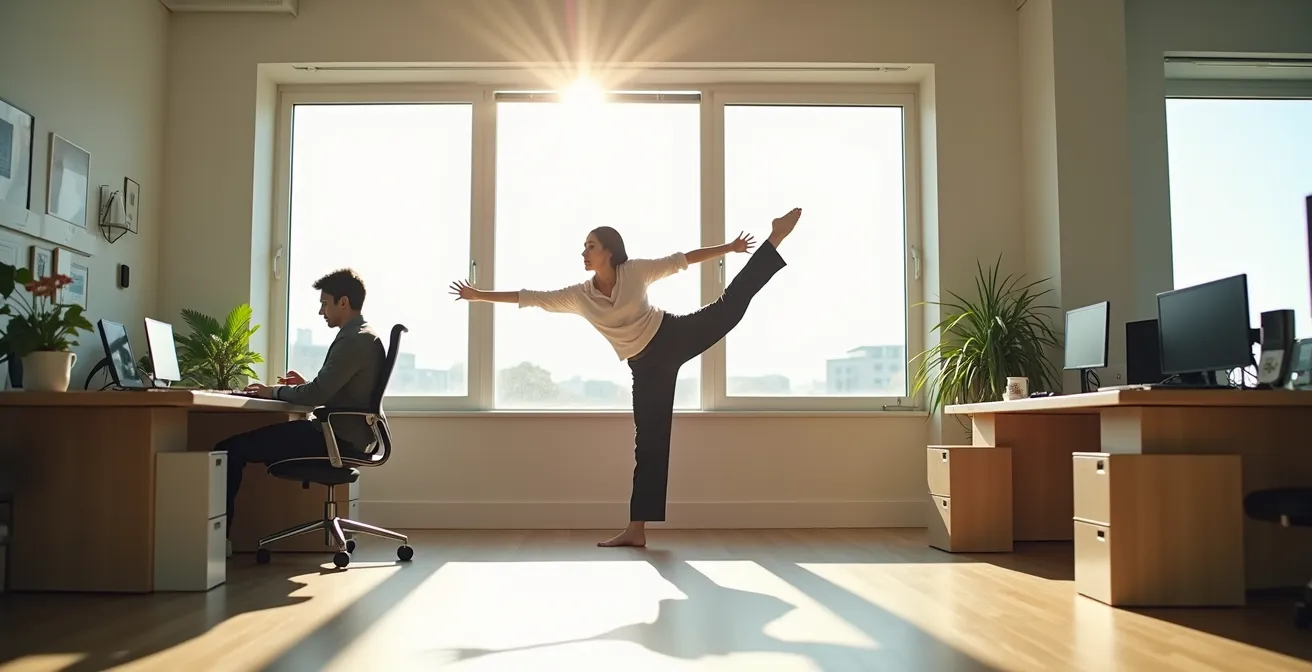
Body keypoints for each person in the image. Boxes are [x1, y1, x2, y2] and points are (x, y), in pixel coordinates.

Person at [449, 207, 803, 547]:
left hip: (671, 335)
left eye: (590, 246)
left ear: (609, 251)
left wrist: (730, 247)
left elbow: (683, 259)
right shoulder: (580, 296)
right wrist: (480, 296)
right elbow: (532, 298)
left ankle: (775, 237)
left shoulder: (635, 271)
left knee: (729, 308)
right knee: (649, 444)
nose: (584, 252)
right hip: (645, 368)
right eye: (585, 246)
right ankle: (637, 529)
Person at [218, 268, 385, 555]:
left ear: (342, 303)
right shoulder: (362, 336)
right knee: (246, 445)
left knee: (229, 448)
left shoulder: (353, 339)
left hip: (334, 439)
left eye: (325, 303)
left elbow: (317, 396)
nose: (321, 311)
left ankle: (219, 544)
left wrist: (272, 391)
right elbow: (332, 390)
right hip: (348, 435)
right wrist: (306, 385)